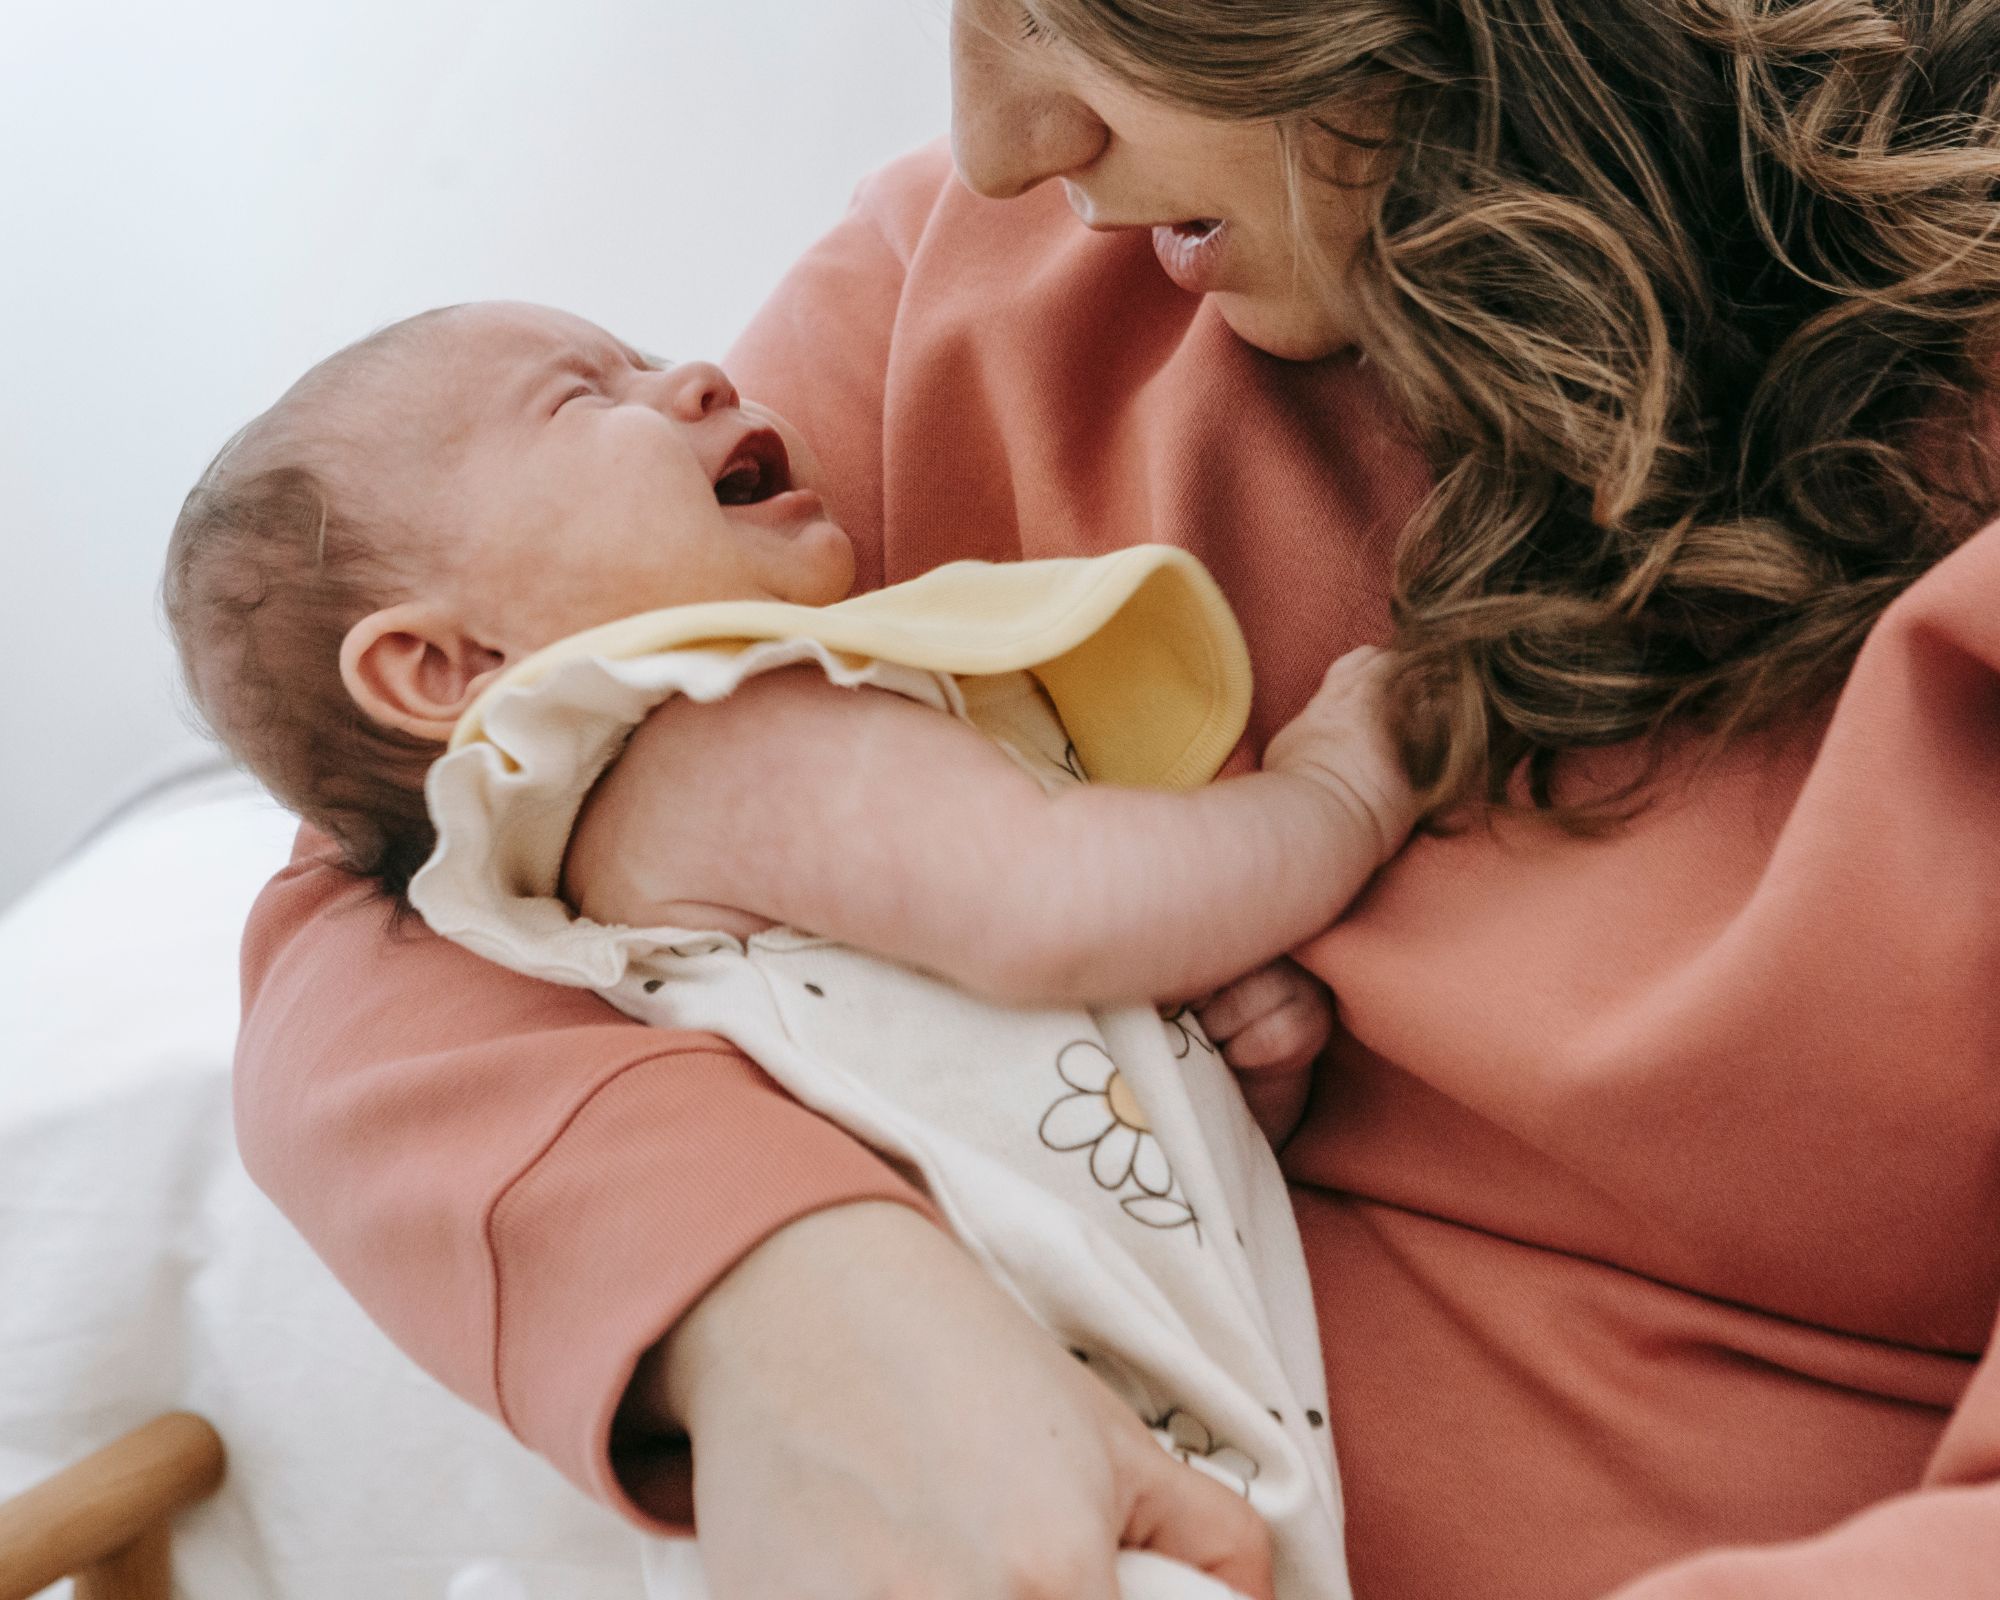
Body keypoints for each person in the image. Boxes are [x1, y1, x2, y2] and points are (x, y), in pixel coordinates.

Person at [229, 2, 2000, 1597]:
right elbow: (392, 874)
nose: (1003, 143)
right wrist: (797, 1307)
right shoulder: (977, 284)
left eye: (1069, 5)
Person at [164, 295, 1424, 1596]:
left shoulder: (700, 805)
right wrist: (1335, 798)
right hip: (1022, 1502)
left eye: (648, 354)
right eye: (582, 398)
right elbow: (1059, 907)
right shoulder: (713, 740)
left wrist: (1210, 1077)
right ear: (444, 665)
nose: (699, 376)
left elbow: (993, 1115)